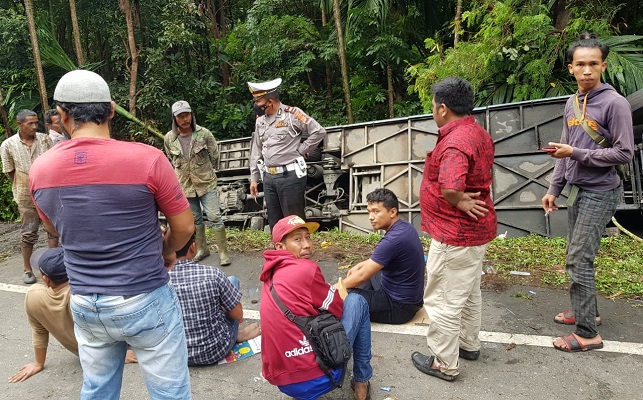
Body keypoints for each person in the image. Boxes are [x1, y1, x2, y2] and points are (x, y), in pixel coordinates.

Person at [29, 69, 195, 400]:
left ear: (62, 115)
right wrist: (166, 250)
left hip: (86, 303)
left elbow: (53, 230)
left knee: (98, 391)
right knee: (170, 393)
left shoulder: (40, 170)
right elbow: (185, 227)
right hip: (144, 296)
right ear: (111, 110)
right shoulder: (147, 159)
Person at [542, 32, 634, 353]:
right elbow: (565, 151)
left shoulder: (615, 103)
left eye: (593, 64)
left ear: (603, 66)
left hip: (602, 191)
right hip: (579, 191)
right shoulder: (572, 102)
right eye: (580, 64)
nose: (587, 71)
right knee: (579, 256)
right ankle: (587, 311)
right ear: (570, 68)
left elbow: (624, 153)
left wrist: (575, 154)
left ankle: (587, 333)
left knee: (578, 259)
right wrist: (554, 188)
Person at [412, 77, 497, 382]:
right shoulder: (477, 132)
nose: (433, 110)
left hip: (455, 234)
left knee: (442, 299)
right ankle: (468, 344)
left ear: (443, 108)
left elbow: (451, 185)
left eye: (433, 106)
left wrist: (458, 200)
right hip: (475, 234)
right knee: (467, 291)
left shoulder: (455, 142)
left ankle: (443, 363)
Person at [259, 215, 372, 400]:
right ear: (280, 247)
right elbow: (337, 308)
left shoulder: (268, 276)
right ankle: (362, 382)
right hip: (319, 378)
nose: (307, 244)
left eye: (308, 237)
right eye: (297, 239)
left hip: (283, 382)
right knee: (357, 302)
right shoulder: (306, 269)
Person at [8, 247, 136, 384]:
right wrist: (117, 355)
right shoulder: (83, 295)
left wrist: (38, 363)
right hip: (108, 348)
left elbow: (39, 330)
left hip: (84, 351)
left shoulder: (33, 295)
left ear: (45, 279)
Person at [169, 231, 260, 365]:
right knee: (232, 281)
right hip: (215, 350)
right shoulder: (213, 274)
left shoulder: (157, 279)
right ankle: (236, 335)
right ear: (193, 247)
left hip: (177, 354)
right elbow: (237, 315)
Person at [248, 78, 326, 230]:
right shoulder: (260, 121)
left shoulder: (293, 114)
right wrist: (254, 178)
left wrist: (302, 151)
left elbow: (319, 131)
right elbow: (256, 149)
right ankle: (281, 253)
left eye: (258, 101)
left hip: (290, 177)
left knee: (294, 222)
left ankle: (299, 253)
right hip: (269, 178)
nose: (255, 104)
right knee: (275, 223)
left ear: (269, 102)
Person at [340, 188, 424, 324]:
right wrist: (360, 265)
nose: (370, 217)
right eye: (369, 212)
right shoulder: (403, 227)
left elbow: (362, 276)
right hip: (410, 298)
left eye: (376, 211)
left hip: (399, 308)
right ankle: (360, 296)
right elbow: (377, 261)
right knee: (361, 275)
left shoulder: (393, 239)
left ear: (392, 212)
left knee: (343, 297)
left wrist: (332, 290)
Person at [164, 101, 230, 265]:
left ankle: (223, 253)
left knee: (215, 217)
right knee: (195, 219)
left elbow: (215, 155)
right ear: (175, 118)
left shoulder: (204, 134)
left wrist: (207, 171)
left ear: (191, 115)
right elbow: (171, 160)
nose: (185, 119)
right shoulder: (169, 138)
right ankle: (202, 249)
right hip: (186, 186)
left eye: (187, 115)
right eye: (180, 116)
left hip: (206, 182)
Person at [1, 109, 55, 284]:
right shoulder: (8, 145)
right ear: (19, 124)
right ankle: (27, 269)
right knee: (28, 232)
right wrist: (24, 185)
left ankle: (52, 267)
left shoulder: (46, 140)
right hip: (24, 193)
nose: (34, 126)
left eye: (36, 123)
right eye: (30, 123)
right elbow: (10, 172)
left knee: (52, 230)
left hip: (47, 191)